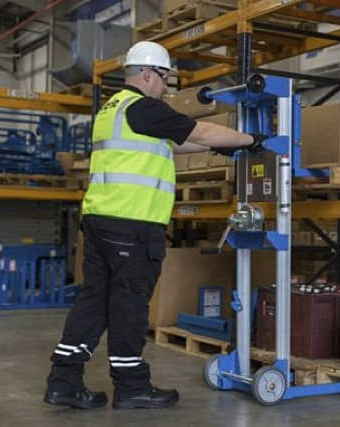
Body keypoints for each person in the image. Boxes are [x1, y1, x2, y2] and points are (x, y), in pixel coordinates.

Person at [44, 41, 260, 410]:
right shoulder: (145, 108)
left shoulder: (112, 109)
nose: (166, 88)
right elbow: (202, 133)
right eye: (164, 79)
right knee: (129, 304)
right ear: (146, 74)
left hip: (99, 220)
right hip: (131, 223)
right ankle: (131, 387)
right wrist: (254, 140)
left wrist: (224, 148)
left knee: (93, 301)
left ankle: (63, 380)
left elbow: (172, 145)